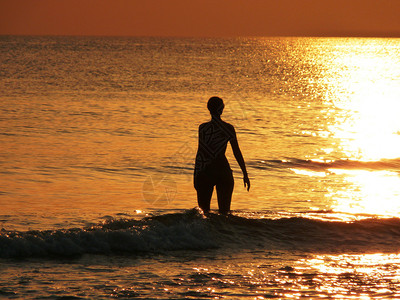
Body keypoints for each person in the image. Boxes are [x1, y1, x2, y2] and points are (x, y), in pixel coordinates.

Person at [194, 96, 250, 214]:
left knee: (204, 213)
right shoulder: (228, 128)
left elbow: (201, 153)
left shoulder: (203, 128)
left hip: (205, 171)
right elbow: (236, 152)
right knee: (224, 214)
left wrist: (196, 174)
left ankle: (202, 232)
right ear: (222, 109)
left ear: (208, 109)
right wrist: (244, 173)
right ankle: (223, 232)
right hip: (222, 170)